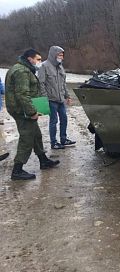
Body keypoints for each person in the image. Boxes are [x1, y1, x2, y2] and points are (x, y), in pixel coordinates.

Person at [5, 49, 60, 180]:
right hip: (22, 111)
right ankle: (17, 170)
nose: (39, 62)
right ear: (30, 59)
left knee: (36, 135)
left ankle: (43, 160)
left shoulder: (23, 68)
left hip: (22, 109)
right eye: (38, 59)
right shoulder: (22, 71)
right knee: (27, 138)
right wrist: (32, 112)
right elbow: (22, 94)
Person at [38, 46, 76, 149]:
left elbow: (63, 84)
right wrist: (44, 99)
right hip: (50, 100)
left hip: (61, 100)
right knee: (53, 121)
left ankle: (63, 139)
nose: (61, 57)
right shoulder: (44, 66)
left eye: (62, 55)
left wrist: (67, 96)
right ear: (53, 55)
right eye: (59, 55)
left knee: (64, 118)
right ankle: (53, 143)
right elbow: (41, 84)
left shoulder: (60, 67)